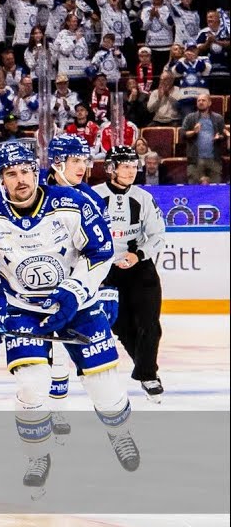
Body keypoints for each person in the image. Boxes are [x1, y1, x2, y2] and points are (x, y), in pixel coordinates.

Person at [0, 141, 139, 492]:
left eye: (26, 171)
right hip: (24, 308)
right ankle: (37, 455)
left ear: (37, 171)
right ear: (1, 178)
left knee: (104, 385)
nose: (21, 179)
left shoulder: (73, 204)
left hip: (79, 305)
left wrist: (76, 289)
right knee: (30, 384)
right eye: (11, 173)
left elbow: (100, 253)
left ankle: (119, 433)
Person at [94, 146, 168, 402]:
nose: (131, 171)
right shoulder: (93, 197)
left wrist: (138, 254)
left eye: (134, 166)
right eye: (125, 166)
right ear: (111, 168)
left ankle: (148, 375)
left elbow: (158, 235)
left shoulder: (143, 198)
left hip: (140, 268)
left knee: (150, 324)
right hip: (105, 272)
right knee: (122, 326)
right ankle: (145, 368)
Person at [180, 93, 227, 183]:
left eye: (203, 100)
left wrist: (219, 137)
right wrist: (194, 132)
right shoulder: (190, 118)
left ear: (209, 103)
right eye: (199, 100)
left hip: (214, 160)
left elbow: (224, 135)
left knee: (215, 189)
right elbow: (182, 134)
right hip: (195, 160)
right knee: (194, 189)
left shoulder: (218, 118)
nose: (201, 102)